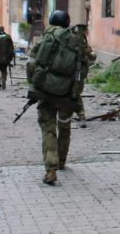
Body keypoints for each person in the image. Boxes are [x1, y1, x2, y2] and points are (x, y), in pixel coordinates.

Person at [26, 10, 81, 185]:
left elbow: (31, 65)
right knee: (64, 126)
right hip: (67, 93)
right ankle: (62, 161)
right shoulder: (75, 41)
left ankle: (51, 169)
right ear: (67, 23)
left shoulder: (43, 41)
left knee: (48, 128)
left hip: (46, 92)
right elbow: (82, 69)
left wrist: (34, 86)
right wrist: (75, 92)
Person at [70, 24, 96, 128]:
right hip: (68, 72)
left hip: (79, 73)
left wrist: (87, 54)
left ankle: (81, 115)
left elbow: (93, 57)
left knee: (76, 94)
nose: (77, 36)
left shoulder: (84, 44)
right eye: (75, 33)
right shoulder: (68, 43)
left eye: (79, 33)